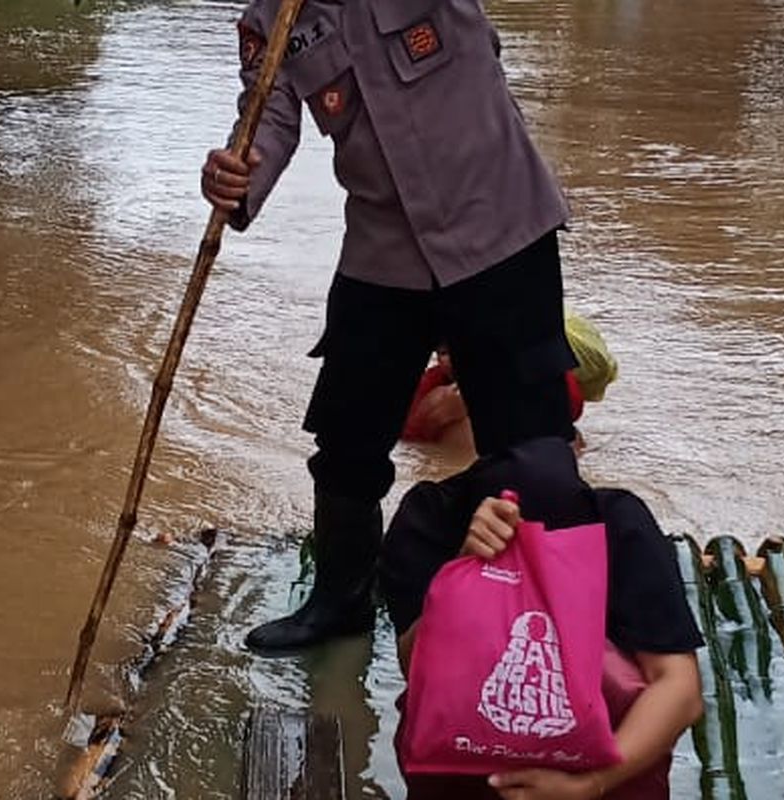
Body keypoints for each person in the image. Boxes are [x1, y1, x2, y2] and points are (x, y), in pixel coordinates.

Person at [203, 0, 577, 652]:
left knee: (530, 444)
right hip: (385, 253)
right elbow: (269, 120)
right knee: (346, 436)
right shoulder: (272, 19)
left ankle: (543, 603)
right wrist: (235, 176)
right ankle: (341, 601)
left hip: (500, 229)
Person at [380, 437, 704, 798]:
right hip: (467, 775)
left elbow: (679, 688)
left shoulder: (618, 526)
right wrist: (466, 575)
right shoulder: (431, 520)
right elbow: (415, 666)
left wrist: (590, 785)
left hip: (605, 775)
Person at [402, 310, 619, 450]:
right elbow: (412, 430)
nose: (450, 360)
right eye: (442, 352)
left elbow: (565, 407)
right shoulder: (437, 390)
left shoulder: (533, 373)